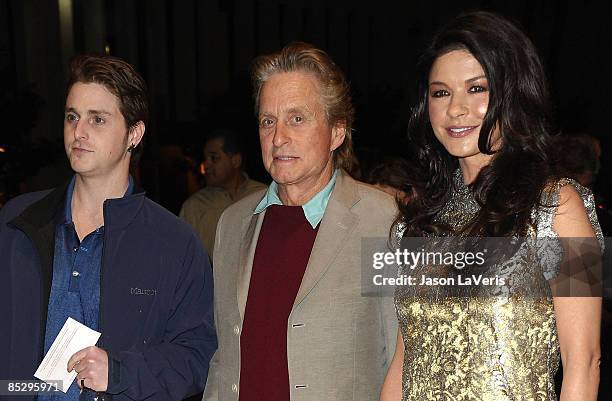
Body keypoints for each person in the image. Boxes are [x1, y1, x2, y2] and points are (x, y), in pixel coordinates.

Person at [380, 11, 603, 401]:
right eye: (441, 92)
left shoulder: (559, 207)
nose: (456, 109)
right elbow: (403, 359)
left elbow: (584, 361)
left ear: (513, 94)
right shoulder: (411, 224)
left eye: (477, 89)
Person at [0, 55, 216, 401]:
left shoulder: (175, 243)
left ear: (135, 133)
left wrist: (120, 373)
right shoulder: (17, 223)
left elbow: (199, 355)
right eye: (72, 117)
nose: (79, 131)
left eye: (97, 119)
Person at [203, 42, 397, 401]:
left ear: (337, 132)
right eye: (268, 121)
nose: (278, 138)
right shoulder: (232, 225)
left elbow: (402, 357)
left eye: (297, 118)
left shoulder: (382, 222)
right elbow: (224, 358)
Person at [180, 129, 265, 260]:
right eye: (205, 159)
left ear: (236, 161)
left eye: (214, 158)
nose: (206, 165)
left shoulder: (263, 196)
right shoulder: (194, 207)